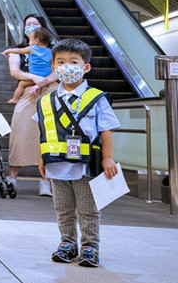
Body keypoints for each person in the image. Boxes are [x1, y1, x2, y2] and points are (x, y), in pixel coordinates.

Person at [34, 39, 121, 268]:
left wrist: (107, 158)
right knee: (62, 209)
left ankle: (90, 247)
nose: (67, 66)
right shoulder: (46, 101)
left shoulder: (97, 98)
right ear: (53, 67)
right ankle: (67, 243)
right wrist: (41, 158)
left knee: (88, 209)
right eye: (61, 62)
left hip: (85, 165)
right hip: (55, 164)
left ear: (86, 67)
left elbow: (106, 130)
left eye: (74, 62)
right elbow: (43, 131)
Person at [6, 15, 56, 195]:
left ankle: (47, 181)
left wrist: (42, 82)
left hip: (51, 91)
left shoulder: (54, 50)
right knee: (20, 132)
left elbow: (59, 70)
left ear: (42, 27)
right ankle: (12, 177)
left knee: (50, 135)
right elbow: (15, 71)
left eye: (35, 24)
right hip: (27, 93)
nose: (31, 27)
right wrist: (34, 78)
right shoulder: (19, 50)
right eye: (28, 24)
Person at [2, 26, 54, 103]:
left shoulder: (32, 48)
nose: (29, 42)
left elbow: (19, 50)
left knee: (21, 84)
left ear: (36, 40)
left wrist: (8, 50)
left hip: (35, 75)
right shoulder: (50, 51)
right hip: (47, 76)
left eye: (30, 40)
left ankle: (15, 99)